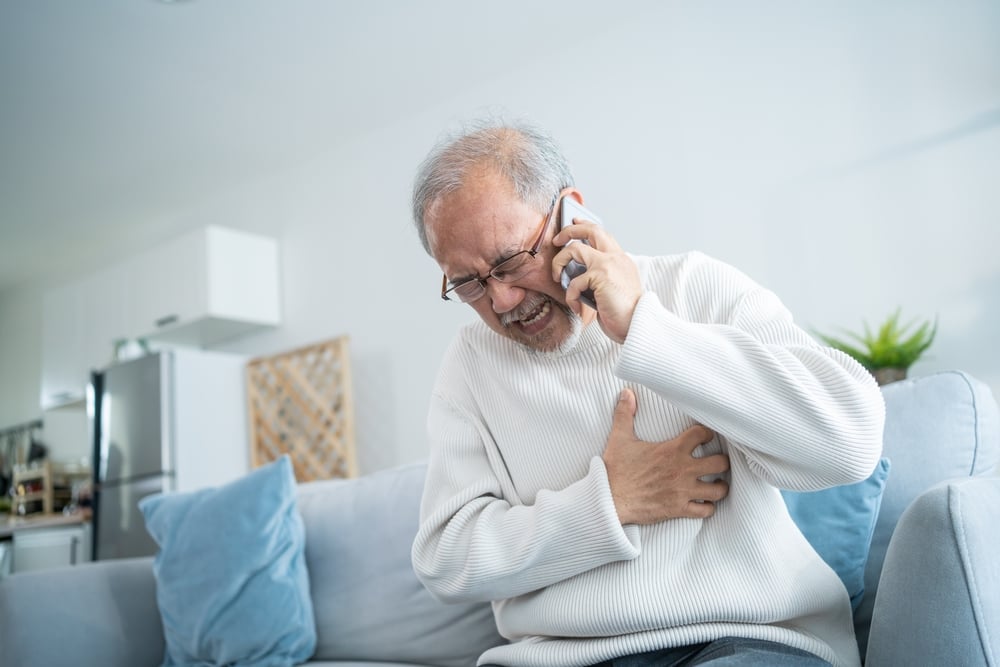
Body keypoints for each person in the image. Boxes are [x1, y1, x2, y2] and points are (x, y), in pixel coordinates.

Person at [409, 117, 885, 667]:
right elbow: (445, 558)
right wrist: (608, 503)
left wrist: (644, 327)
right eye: (468, 283)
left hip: (742, 641)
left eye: (511, 261)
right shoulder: (470, 366)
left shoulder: (694, 287)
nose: (503, 300)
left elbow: (849, 441)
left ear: (570, 215)